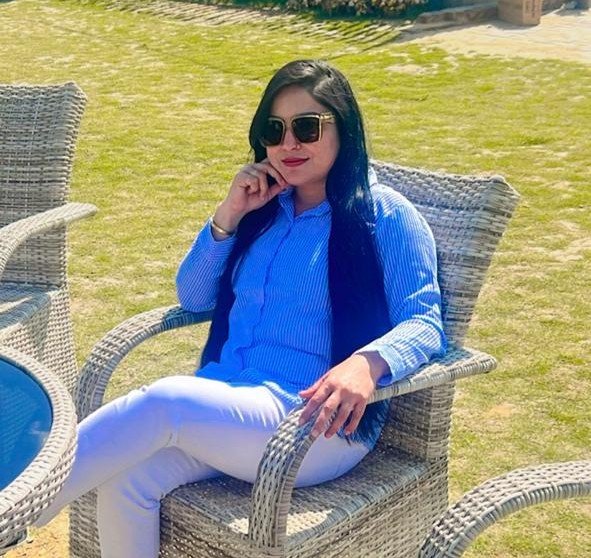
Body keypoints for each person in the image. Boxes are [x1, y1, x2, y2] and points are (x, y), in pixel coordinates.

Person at [35, 59, 446, 557]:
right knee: (128, 481)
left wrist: (367, 363)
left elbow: (425, 322)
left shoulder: (385, 215)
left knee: (165, 401)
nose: (289, 144)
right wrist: (228, 215)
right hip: (235, 405)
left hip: (314, 425)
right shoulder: (264, 210)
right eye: (274, 130)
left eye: (307, 127)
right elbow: (193, 297)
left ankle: (18, 505)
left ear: (344, 129)